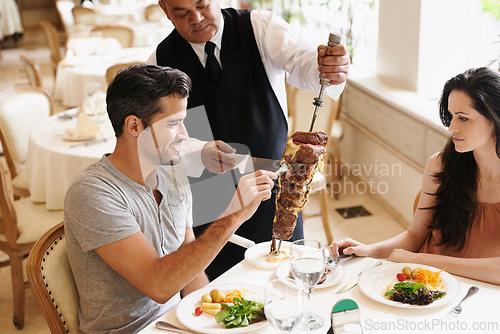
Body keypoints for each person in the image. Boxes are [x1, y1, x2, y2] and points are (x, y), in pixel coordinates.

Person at [64, 64, 277, 333]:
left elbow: (189, 266)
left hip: (175, 323)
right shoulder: (93, 192)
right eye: (174, 124)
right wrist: (233, 215)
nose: (185, 135)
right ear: (133, 125)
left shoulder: (173, 173)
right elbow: (159, 285)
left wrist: (212, 323)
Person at [148, 0, 350, 279]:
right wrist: (198, 151)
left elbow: (305, 63)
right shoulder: (160, 60)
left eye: (202, 5)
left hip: (273, 192)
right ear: (164, 9)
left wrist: (328, 67)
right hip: (206, 201)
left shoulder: (260, 28)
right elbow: (156, 138)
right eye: (181, 13)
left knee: (283, 278)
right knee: (221, 291)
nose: (195, 18)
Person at [329, 67, 500, 285]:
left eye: (463, 118)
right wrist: (367, 249)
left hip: (476, 295)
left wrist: (421, 260)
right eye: (452, 116)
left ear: (495, 119)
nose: (452, 127)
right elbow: (414, 236)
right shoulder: (440, 166)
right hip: (423, 287)